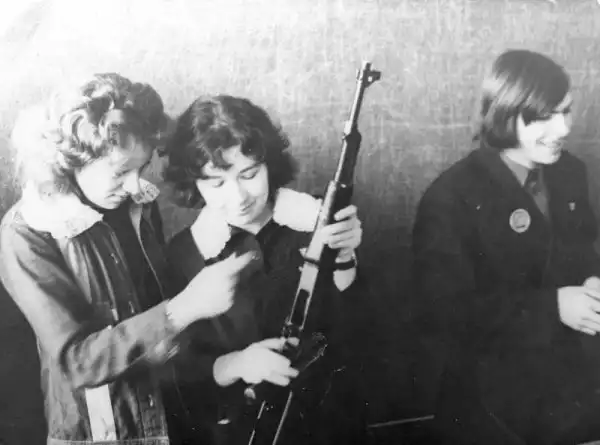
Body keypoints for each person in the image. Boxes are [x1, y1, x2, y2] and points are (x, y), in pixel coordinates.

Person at [0, 73, 255, 445]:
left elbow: (157, 318)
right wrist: (184, 307)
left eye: (143, 167)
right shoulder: (27, 232)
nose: (136, 185)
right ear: (71, 160)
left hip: (168, 417)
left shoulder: (137, 204)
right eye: (121, 172)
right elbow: (76, 362)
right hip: (98, 433)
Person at [412, 48, 600, 445]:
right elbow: (444, 315)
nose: (563, 128)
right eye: (545, 116)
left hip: (570, 387)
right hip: (492, 403)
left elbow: (583, 251)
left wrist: (592, 281)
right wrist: (553, 308)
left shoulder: (570, 173)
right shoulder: (451, 197)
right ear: (505, 115)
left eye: (566, 111)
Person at [163, 94, 368, 445]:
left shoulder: (316, 223)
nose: (239, 196)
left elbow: (361, 333)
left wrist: (346, 257)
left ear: (270, 164)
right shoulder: (184, 255)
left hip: (332, 426)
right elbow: (177, 374)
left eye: (249, 174)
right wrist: (235, 364)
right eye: (216, 183)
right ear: (193, 184)